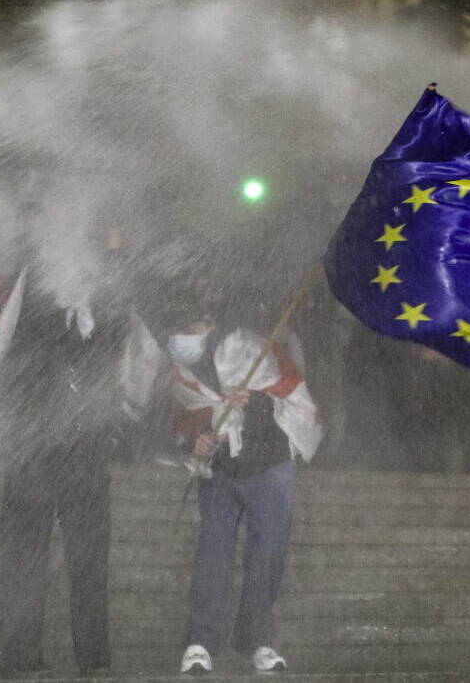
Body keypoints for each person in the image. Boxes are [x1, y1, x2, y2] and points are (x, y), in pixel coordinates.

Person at [0, 223, 131, 678]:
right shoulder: (34, 307)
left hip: (86, 457)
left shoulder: (102, 317)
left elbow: (116, 334)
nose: (80, 279)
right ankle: (19, 658)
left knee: (90, 565)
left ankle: (95, 659)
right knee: (24, 563)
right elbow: (20, 348)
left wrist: (109, 264)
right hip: (32, 454)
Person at [172, 284, 321, 675]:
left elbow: (292, 400)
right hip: (220, 471)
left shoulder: (258, 350)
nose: (192, 334)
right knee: (213, 555)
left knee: (266, 555)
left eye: (199, 324)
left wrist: (251, 403)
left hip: (269, 467)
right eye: (187, 328)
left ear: (213, 323)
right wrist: (197, 441)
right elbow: (186, 415)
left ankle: (257, 639)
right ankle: (201, 640)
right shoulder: (186, 367)